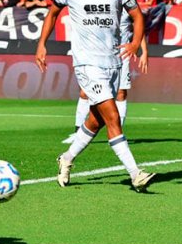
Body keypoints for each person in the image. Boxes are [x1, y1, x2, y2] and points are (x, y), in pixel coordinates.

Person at [34, 0, 155, 192]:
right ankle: (136, 173)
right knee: (113, 118)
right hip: (86, 64)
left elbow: (137, 15)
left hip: (112, 62)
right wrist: (42, 43)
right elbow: (53, 13)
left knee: (95, 121)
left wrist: (135, 43)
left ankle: (67, 158)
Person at [61, 11, 149, 146]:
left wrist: (144, 52)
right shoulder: (102, 5)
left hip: (122, 54)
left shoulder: (128, 6)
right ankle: (77, 132)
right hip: (100, 53)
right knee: (85, 92)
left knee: (121, 93)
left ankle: (117, 133)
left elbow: (139, 26)